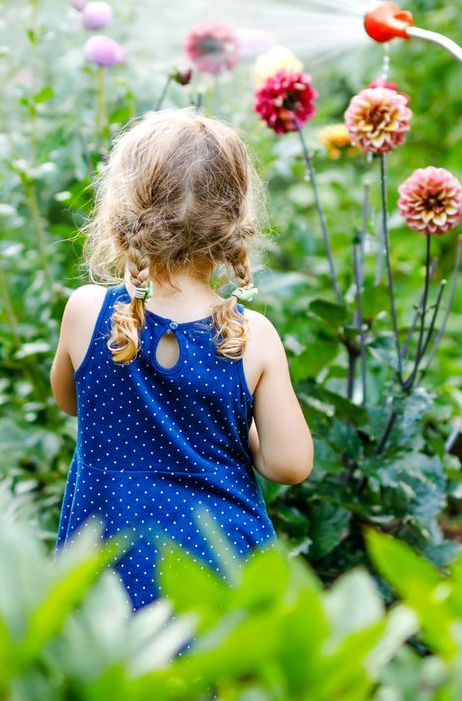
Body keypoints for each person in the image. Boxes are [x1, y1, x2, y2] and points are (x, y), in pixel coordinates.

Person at [50, 109, 313, 610]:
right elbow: (290, 464)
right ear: (234, 223)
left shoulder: (86, 311)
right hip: (218, 561)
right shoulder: (252, 336)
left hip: (110, 558)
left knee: (113, 681)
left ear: (124, 212)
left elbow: (70, 400)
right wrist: (235, 425)